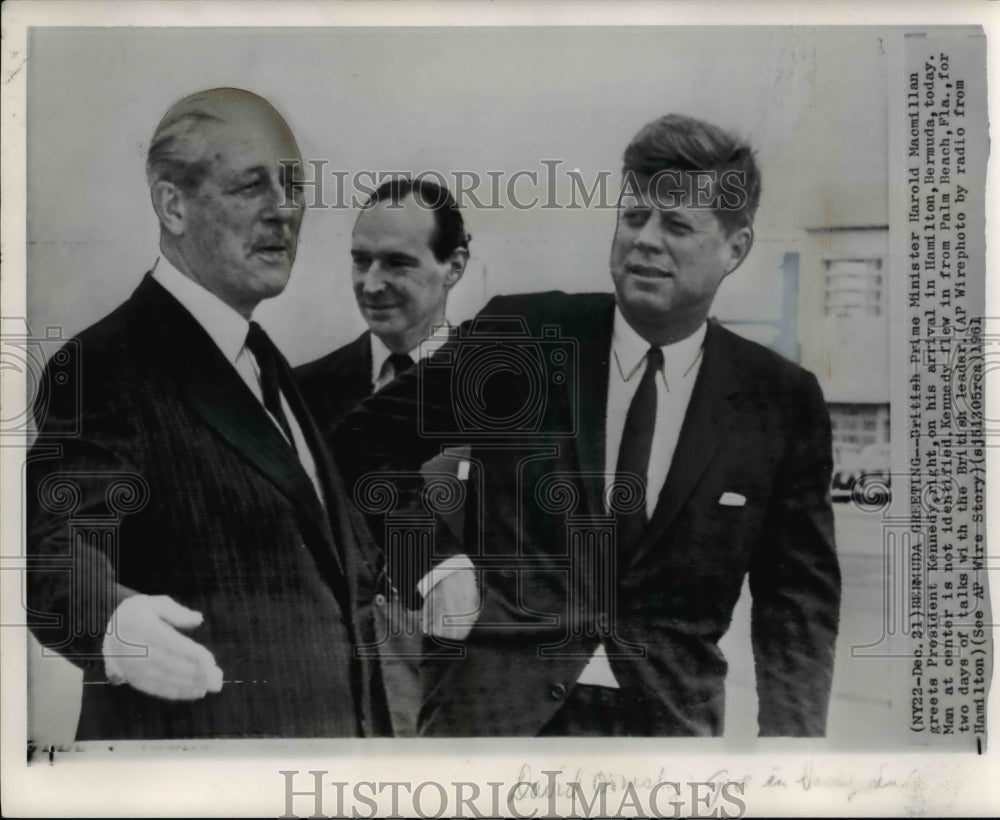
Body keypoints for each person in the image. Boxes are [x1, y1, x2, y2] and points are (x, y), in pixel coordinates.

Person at [337, 113, 841, 737]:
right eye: (634, 217)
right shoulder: (522, 337)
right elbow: (360, 446)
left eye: (677, 224)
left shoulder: (780, 401)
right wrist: (433, 565)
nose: (646, 240)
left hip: (665, 736)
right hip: (492, 725)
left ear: (735, 248)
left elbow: (797, 601)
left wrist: (793, 758)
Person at [26, 88, 392, 739]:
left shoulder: (265, 365)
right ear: (173, 205)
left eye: (293, 186)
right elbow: (51, 541)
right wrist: (113, 623)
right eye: (251, 186)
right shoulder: (109, 364)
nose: (284, 211)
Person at [295, 177, 470, 736]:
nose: (372, 285)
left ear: (455, 265)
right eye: (360, 261)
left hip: (467, 702)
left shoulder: (505, 394)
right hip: (340, 705)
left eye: (396, 263)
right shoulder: (301, 396)